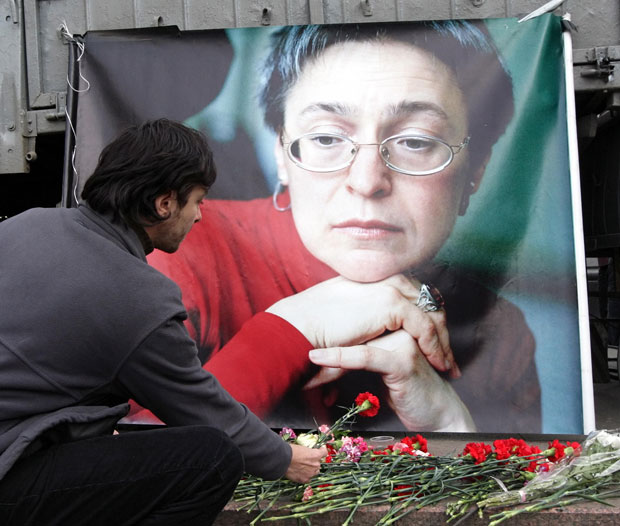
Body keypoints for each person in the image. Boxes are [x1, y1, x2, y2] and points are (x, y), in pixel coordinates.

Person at [146, 21, 541, 433]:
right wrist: (293, 330)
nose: (367, 182)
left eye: (416, 142)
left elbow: (523, 494)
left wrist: (451, 426)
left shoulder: (499, 336)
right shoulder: (179, 256)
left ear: (475, 171)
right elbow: (119, 466)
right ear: (283, 154)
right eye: (326, 138)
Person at [0, 119, 330, 526]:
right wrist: (284, 458)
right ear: (164, 203)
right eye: (198, 201)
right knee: (211, 458)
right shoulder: (137, 296)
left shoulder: (26, 224)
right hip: (8, 479)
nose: (200, 216)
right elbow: (202, 408)